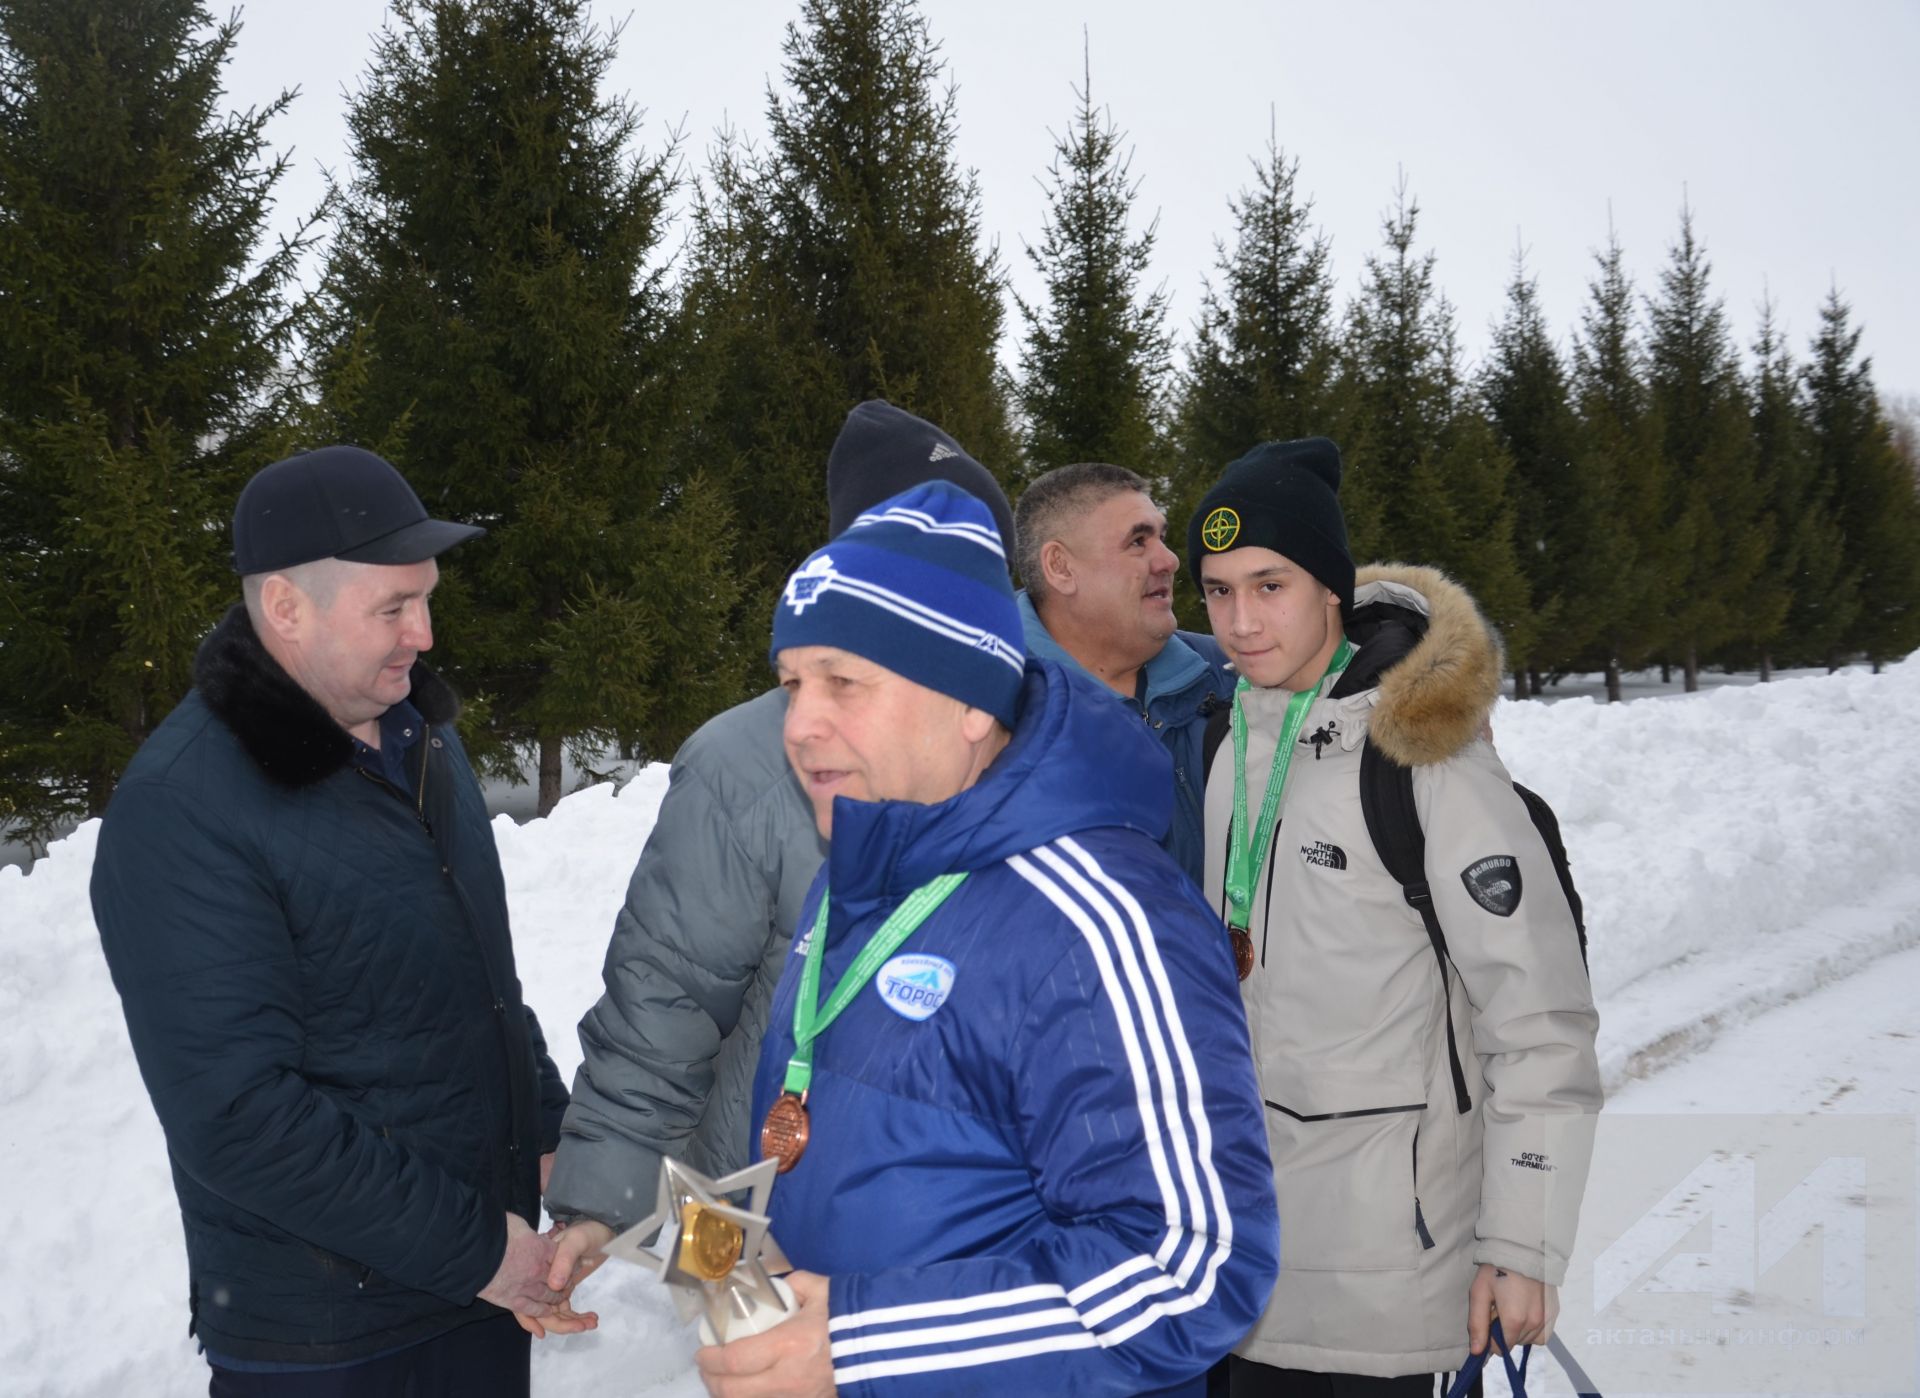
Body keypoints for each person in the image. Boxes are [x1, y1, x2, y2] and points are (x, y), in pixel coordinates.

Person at [695, 480, 1279, 1398]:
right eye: (792, 684)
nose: (801, 724)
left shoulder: (1099, 917)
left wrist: (860, 1344)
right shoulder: (856, 871)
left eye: (844, 682)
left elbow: (1195, 1265)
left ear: (970, 702)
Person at [91, 446, 572, 1396]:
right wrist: (480, 1251)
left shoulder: (422, 739)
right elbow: (239, 1116)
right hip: (331, 1338)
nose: (424, 634)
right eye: (392, 608)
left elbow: (478, 985)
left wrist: (551, 1131)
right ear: (284, 607)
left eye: (426, 598)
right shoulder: (184, 806)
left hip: (473, 1298)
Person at [538, 402, 1018, 1297]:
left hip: (957, 1245)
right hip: (751, 1224)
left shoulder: (1028, 751)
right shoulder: (744, 766)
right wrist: (603, 1195)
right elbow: (666, 999)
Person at [1187, 438, 1602, 1395]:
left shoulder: (1423, 756)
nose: (1240, 621)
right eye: (1217, 591)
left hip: (1390, 1285)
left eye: (1269, 585)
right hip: (1248, 1271)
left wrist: (1522, 1244)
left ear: (1331, 588)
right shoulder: (1227, 746)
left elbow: (1539, 1021)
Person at [1013, 463, 1232, 883]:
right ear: (1060, 567)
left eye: (1161, 537)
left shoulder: (1230, 675)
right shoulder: (988, 711)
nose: (1169, 560)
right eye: (1137, 541)